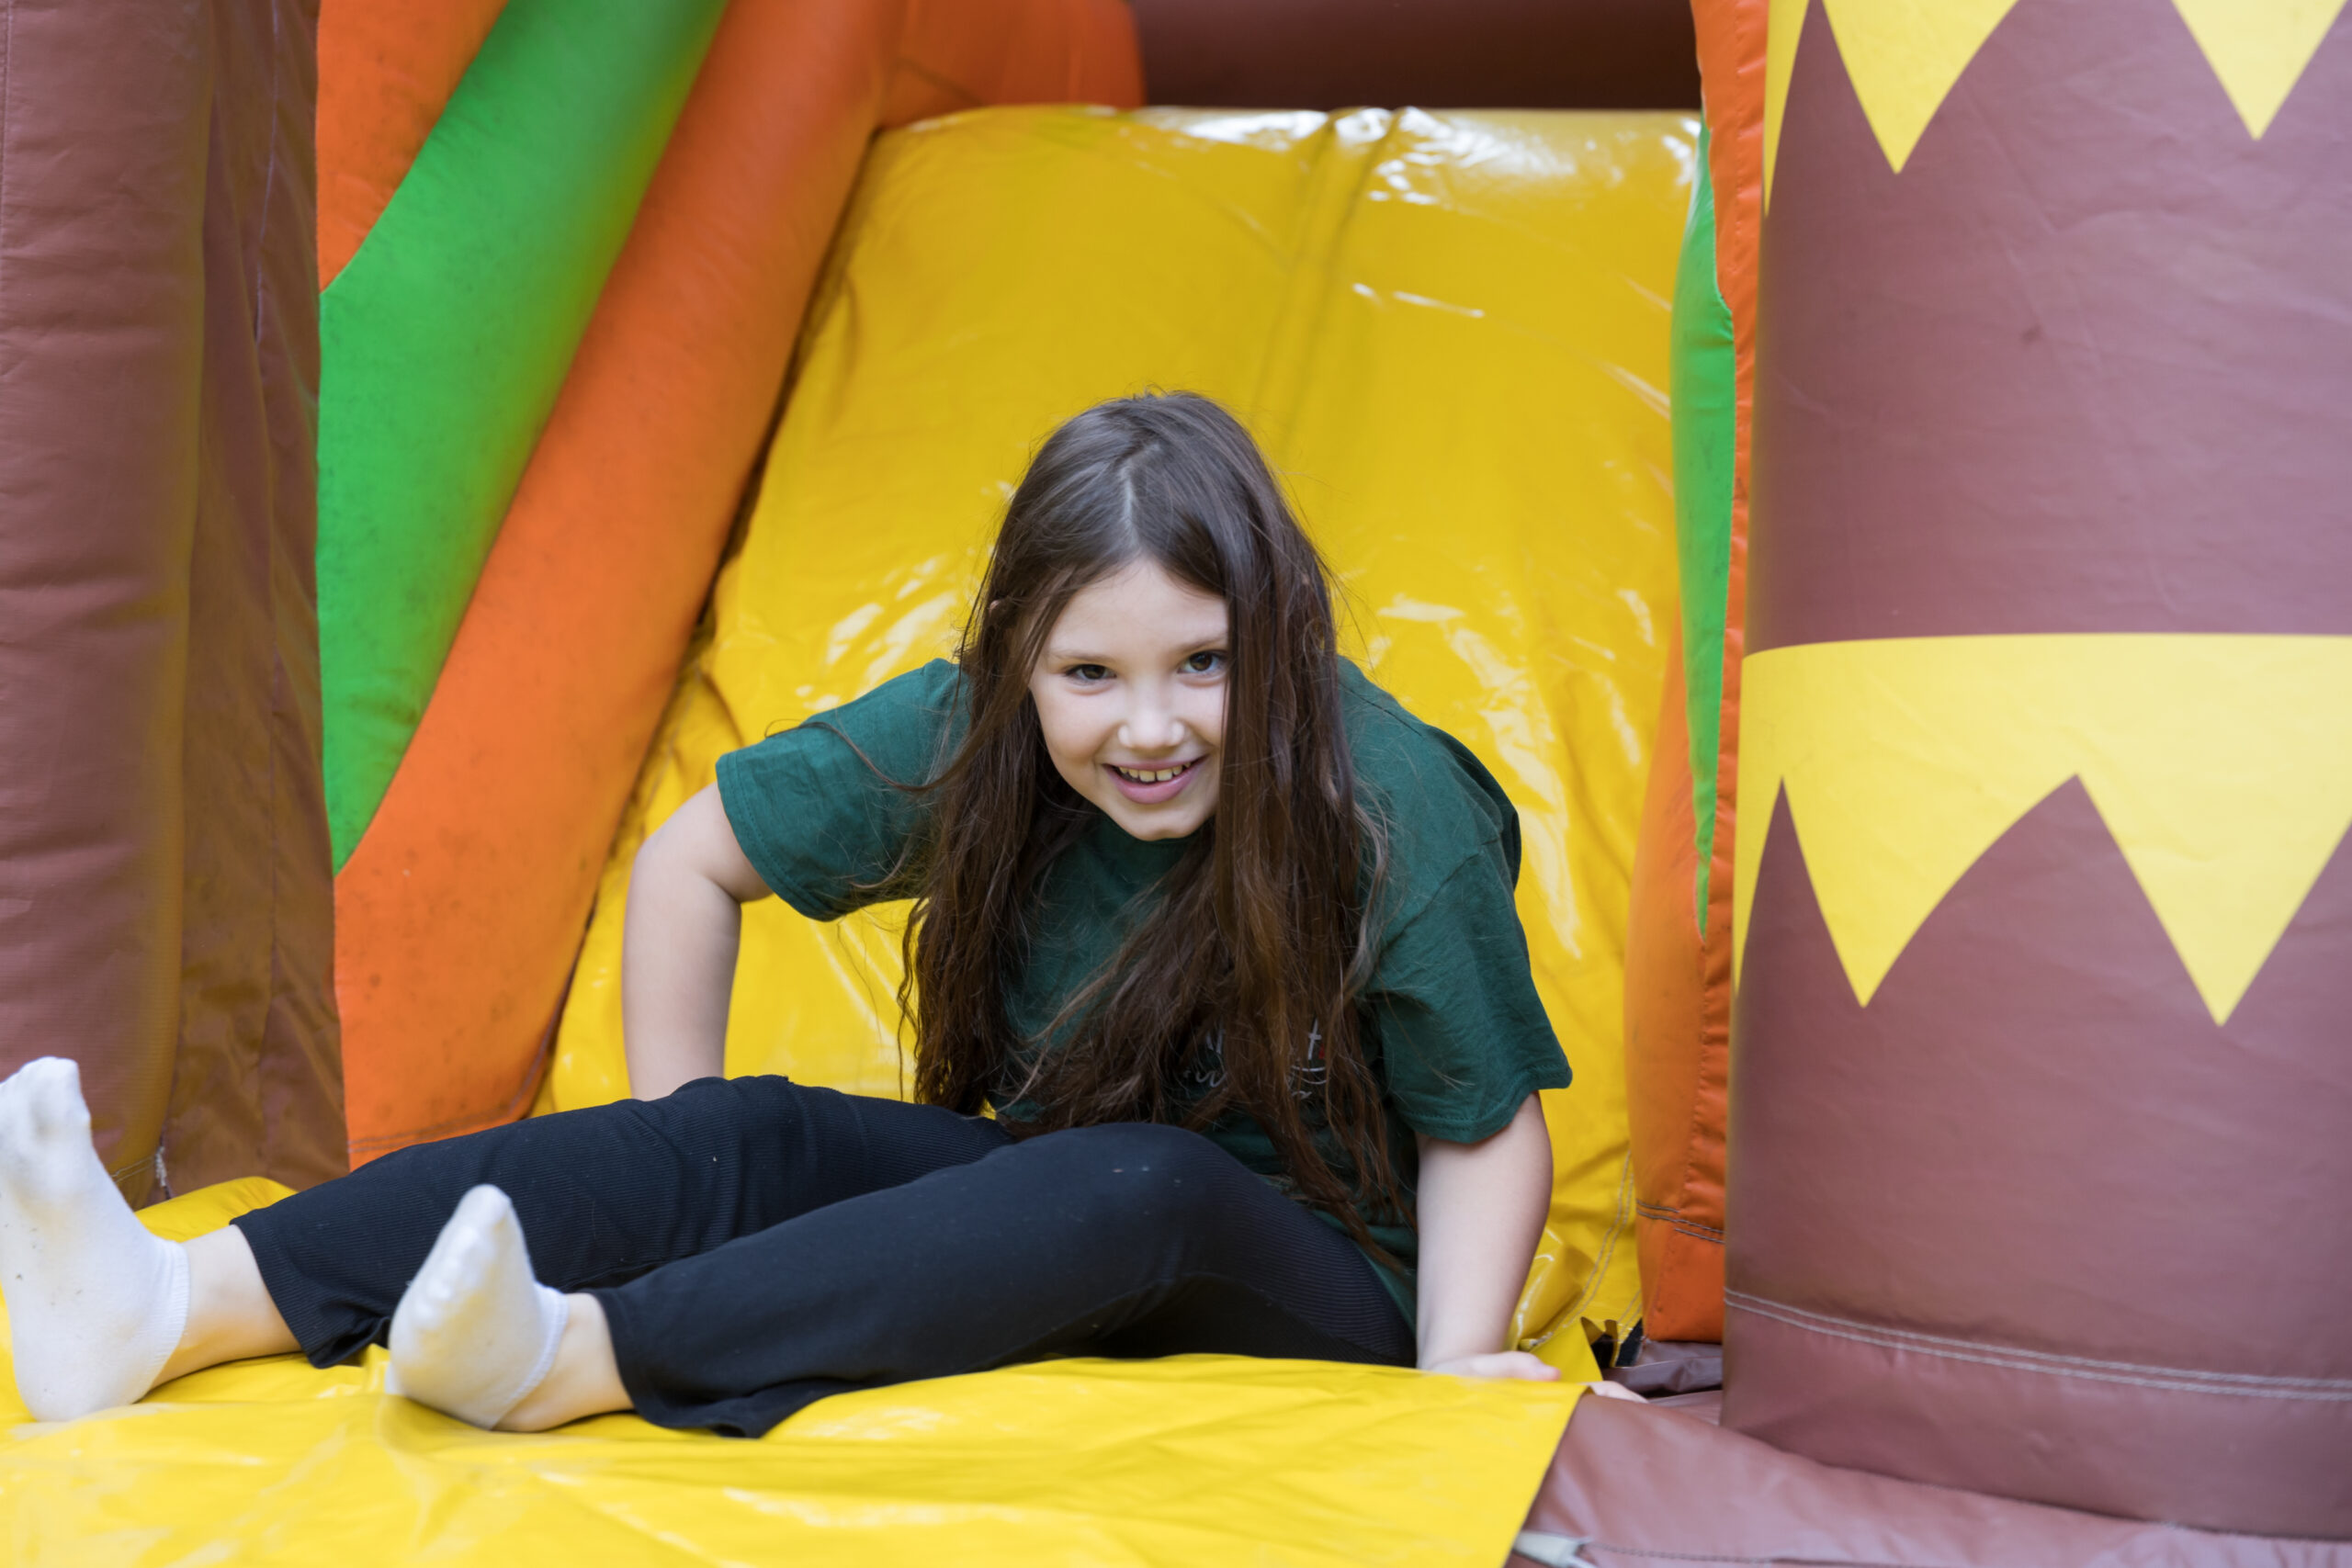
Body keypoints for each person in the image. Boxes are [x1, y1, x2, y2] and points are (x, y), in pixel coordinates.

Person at [0, 392, 1634, 1436]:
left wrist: (1449, 1371)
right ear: (1018, 661)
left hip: (1324, 1283)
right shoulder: (983, 737)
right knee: (756, 1135)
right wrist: (684, 1162)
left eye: (1204, 662)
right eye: (1091, 674)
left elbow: (1484, 1122)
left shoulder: (1379, 801)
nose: (1151, 726)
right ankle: (175, 1304)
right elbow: (690, 862)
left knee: (1150, 1178)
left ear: (1278, 636)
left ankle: (579, 1358)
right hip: (1065, 1211)